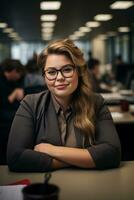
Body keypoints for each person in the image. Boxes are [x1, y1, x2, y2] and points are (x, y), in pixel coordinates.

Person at [7, 39, 121, 172]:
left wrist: (50, 150)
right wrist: (81, 159)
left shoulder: (96, 102)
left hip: (89, 186)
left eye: (67, 70)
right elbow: (16, 157)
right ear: (44, 76)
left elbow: (112, 153)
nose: (59, 77)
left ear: (78, 71)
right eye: (51, 72)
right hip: (47, 185)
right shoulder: (30, 104)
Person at [0, 58, 25, 164]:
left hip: (12, 111)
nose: (19, 76)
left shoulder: (18, 79)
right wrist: (12, 95)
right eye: (18, 73)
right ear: (13, 71)